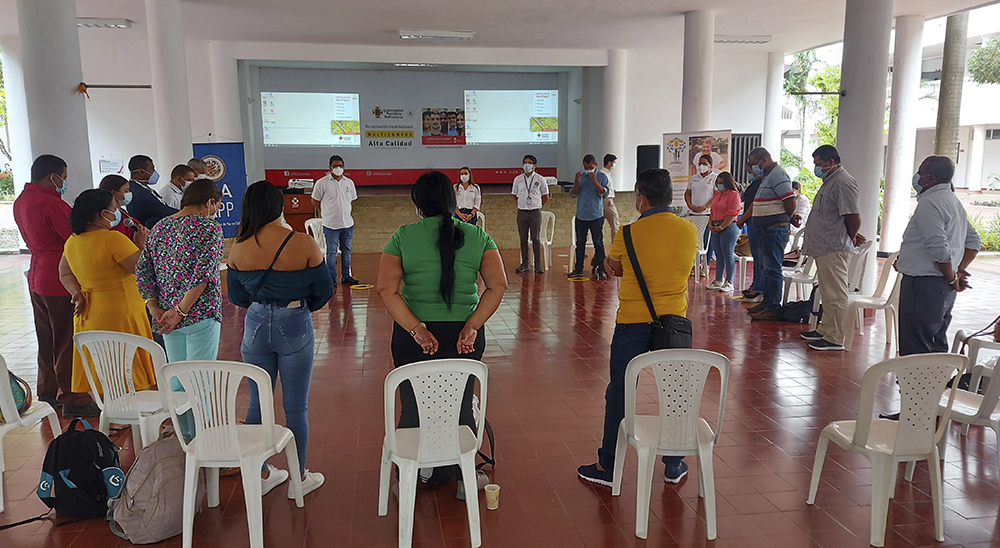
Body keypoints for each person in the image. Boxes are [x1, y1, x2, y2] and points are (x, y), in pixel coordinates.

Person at [376, 170, 507, 500]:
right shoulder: (478, 236)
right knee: (461, 406)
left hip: (413, 338)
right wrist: (472, 325)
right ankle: (465, 478)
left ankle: (409, 478)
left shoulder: (403, 236)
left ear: (418, 205)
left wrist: (417, 329)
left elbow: (387, 290)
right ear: (452, 201)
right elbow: (498, 285)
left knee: (412, 407)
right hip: (464, 337)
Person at [577, 168, 698, 487]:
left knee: (620, 390)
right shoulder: (689, 230)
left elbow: (615, 267)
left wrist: (611, 264)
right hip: (674, 324)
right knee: (674, 392)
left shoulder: (628, 233)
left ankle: (609, 465)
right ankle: (674, 463)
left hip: (632, 322)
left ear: (641, 199)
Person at [227, 181, 334, 498]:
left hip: (256, 324)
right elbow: (324, 290)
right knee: (296, 407)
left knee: (257, 402)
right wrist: (299, 307)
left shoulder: (239, 247)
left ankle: (260, 474)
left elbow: (237, 296)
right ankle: (298, 479)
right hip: (294, 321)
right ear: (279, 206)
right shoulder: (302, 243)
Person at [12, 155, 99, 417]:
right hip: (60, 278)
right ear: (53, 177)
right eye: (64, 177)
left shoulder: (22, 200)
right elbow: (76, 238)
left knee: (47, 338)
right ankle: (74, 398)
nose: (64, 182)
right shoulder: (52, 203)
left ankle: (49, 390)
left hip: (37, 276)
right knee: (67, 341)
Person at [58, 189, 157, 399]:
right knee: (128, 368)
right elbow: (143, 270)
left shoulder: (72, 241)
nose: (118, 212)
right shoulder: (112, 239)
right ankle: (132, 413)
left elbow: (64, 273)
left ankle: (110, 413)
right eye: (115, 208)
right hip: (120, 313)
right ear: (103, 213)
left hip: (89, 313)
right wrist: (141, 244)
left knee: (101, 368)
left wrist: (76, 292)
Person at [897, 156, 980, 355]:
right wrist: (959, 271)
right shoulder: (953, 201)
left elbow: (939, 248)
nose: (917, 177)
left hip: (923, 285)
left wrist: (952, 277)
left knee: (916, 345)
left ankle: (918, 377)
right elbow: (973, 242)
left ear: (931, 178)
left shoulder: (930, 203)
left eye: (920, 172)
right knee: (935, 341)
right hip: (942, 287)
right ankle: (937, 376)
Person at [136, 179, 224, 362]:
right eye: (217, 206)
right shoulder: (209, 228)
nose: (215, 211)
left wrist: (153, 306)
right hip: (199, 313)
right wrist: (180, 311)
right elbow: (203, 275)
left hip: (165, 316)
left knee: (176, 374)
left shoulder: (159, 227)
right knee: (200, 375)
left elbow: (143, 270)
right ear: (209, 202)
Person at [798, 145, 865, 351]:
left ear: (831, 162)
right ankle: (825, 330)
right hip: (824, 247)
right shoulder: (831, 181)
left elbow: (853, 217)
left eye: (818, 164)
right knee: (827, 292)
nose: (816, 168)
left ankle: (835, 338)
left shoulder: (844, 182)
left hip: (834, 247)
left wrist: (850, 237)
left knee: (836, 293)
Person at [743, 147, 801, 321]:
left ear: (763, 160)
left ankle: (773, 306)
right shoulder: (767, 176)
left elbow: (789, 199)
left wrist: (791, 216)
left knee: (773, 268)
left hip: (774, 229)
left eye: (754, 164)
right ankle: (767, 302)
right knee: (766, 268)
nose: (753, 168)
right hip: (764, 229)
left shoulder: (778, 174)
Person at [311, 155, 360, 285]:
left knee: (346, 251)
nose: (338, 168)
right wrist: (325, 211)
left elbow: (351, 200)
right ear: (330, 167)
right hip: (331, 225)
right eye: (335, 166)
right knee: (331, 252)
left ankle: (346, 276)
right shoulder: (322, 183)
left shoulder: (349, 182)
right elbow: (314, 201)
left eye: (340, 166)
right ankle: (331, 278)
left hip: (347, 224)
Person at [568, 154, 610, 280]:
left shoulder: (602, 176)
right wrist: (576, 182)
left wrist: (595, 181)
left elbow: (604, 193)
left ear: (595, 165)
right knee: (580, 243)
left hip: (596, 215)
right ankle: (578, 269)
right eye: (586, 168)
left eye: (591, 167)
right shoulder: (581, 176)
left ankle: (601, 269)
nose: (588, 170)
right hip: (581, 215)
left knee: (598, 243)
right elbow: (573, 194)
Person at [511, 154, 549, 274]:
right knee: (523, 238)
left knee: (535, 238)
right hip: (522, 212)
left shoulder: (540, 179)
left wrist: (537, 205)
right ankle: (525, 263)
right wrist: (523, 204)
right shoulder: (518, 179)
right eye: (525, 162)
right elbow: (514, 195)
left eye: (530, 163)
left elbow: (546, 196)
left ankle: (537, 264)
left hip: (535, 212)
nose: (527, 165)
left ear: (534, 165)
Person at [707, 172, 742, 293]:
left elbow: (732, 214)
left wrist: (722, 227)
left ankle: (729, 281)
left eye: (722, 183)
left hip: (728, 227)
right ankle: (718, 279)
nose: (719, 185)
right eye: (718, 183)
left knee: (728, 255)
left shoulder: (733, 195)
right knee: (719, 255)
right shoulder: (717, 194)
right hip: (715, 225)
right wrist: (710, 224)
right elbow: (712, 211)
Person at [685, 153, 719, 279]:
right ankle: (696, 264)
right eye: (700, 164)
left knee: (706, 240)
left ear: (710, 165)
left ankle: (706, 264)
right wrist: (690, 205)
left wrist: (705, 206)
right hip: (693, 213)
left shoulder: (715, 178)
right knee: (695, 241)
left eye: (704, 164)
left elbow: (716, 195)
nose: (701, 166)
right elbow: (687, 193)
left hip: (707, 214)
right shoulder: (694, 178)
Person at [736, 167, 765, 302]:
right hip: (751, 222)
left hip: (757, 221)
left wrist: (742, 219)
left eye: (750, 170)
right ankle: (755, 285)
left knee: (760, 258)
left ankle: (759, 288)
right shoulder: (754, 183)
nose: (749, 174)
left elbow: (754, 204)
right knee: (756, 257)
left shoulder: (763, 183)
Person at [127, 155, 177, 229]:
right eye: (152, 169)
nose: (154, 172)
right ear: (141, 172)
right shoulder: (140, 194)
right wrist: (184, 212)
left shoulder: (142, 188)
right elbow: (164, 212)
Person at [98, 174, 146, 246]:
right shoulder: (113, 218)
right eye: (126, 191)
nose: (129, 193)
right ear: (114, 193)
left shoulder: (122, 211)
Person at [599, 154, 621, 235]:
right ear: (609, 163)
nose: (614, 165)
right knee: (615, 223)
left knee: (599, 225)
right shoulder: (603, 174)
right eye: (614, 162)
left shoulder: (605, 173)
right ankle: (616, 242)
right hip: (607, 200)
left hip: (603, 201)